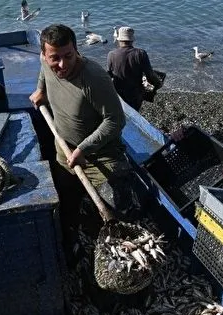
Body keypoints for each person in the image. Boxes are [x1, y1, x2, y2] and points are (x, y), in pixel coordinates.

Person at [29, 24, 141, 236]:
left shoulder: (93, 78)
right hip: (64, 150)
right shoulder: (45, 61)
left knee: (122, 214)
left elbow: (115, 120)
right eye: (55, 58)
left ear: (76, 50)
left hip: (101, 157)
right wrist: (40, 89)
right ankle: (72, 232)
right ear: (44, 54)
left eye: (68, 56)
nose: (63, 64)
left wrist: (84, 149)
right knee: (67, 202)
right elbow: (44, 69)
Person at [107, 26, 164, 111]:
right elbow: (150, 75)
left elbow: (109, 75)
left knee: (123, 115)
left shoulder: (111, 54)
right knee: (134, 112)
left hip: (118, 94)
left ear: (119, 40)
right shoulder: (141, 53)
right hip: (134, 94)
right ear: (132, 40)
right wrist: (158, 84)